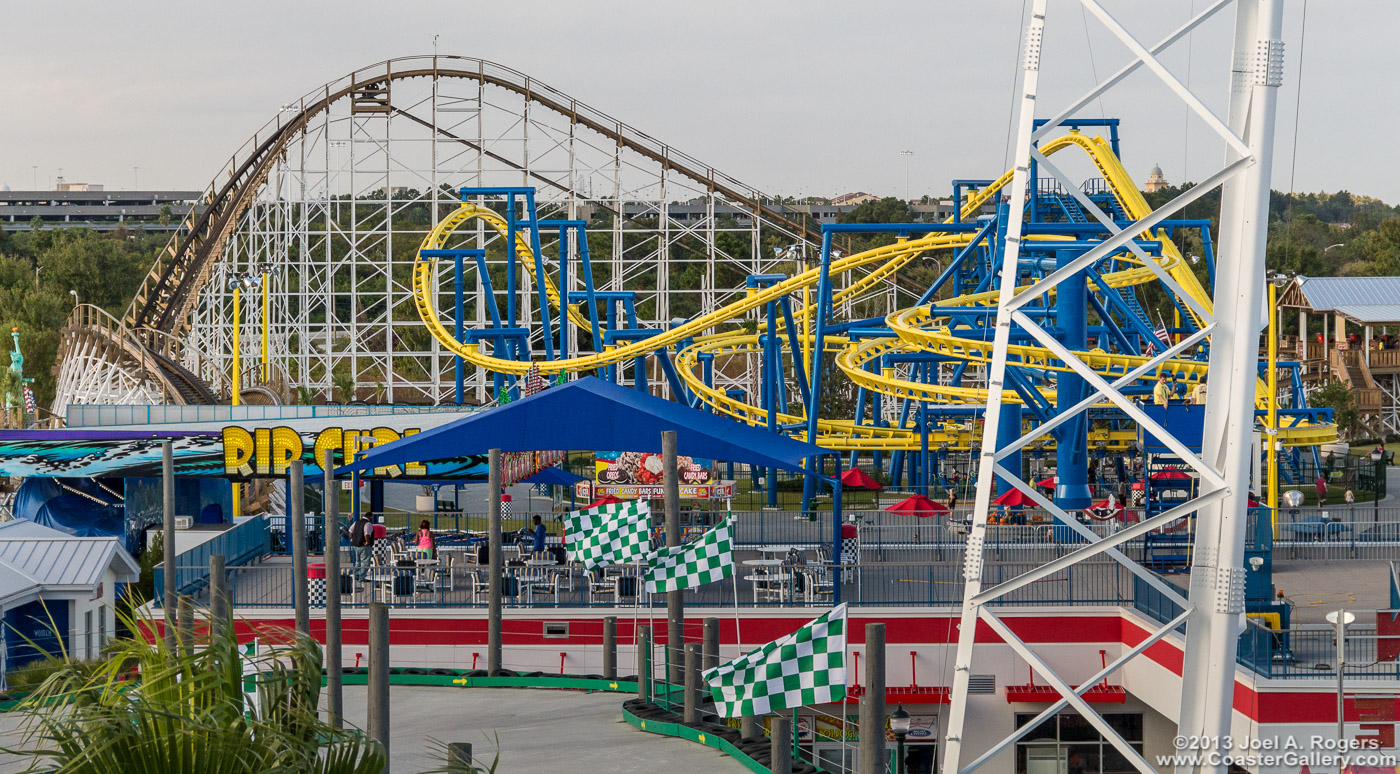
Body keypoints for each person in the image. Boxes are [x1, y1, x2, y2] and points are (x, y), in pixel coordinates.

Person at [348, 513, 374, 582]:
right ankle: (361, 577)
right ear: (370, 517)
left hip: (356, 545)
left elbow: (350, 530)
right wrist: (367, 542)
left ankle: (355, 576)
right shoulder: (367, 524)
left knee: (358, 562)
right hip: (364, 546)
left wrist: (352, 538)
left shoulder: (357, 522)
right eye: (372, 517)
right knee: (365, 563)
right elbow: (367, 534)